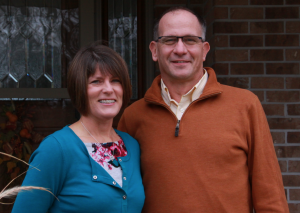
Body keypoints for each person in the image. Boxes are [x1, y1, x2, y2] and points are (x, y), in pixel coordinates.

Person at [118, 7, 289, 213]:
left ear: (205, 50)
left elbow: (270, 197)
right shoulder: (133, 117)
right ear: (154, 50)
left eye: (190, 40)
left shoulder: (245, 106)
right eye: (170, 40)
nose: (180, 49)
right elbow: (121, 196)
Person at [12, 43, 145, 213]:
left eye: (115, 81)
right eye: (96, 81)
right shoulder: (55, 149)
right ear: (79, 88)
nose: (108, 89)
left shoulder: (131, 146)